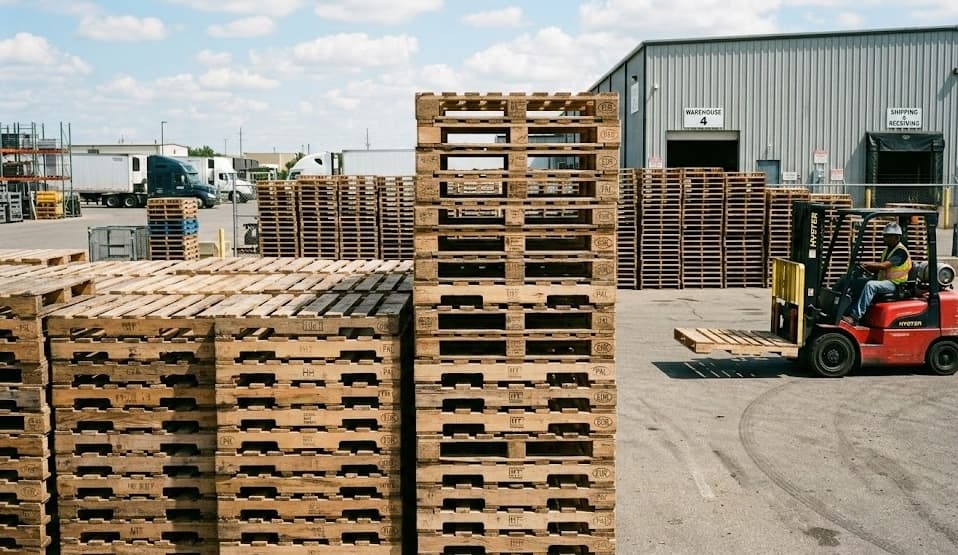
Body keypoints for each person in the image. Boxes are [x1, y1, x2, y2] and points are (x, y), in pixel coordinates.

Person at [843, 222, 911, 325]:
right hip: (885, 281)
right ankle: (846, 310)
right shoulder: (887, 251)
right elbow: (879, 269)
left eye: (888, 236)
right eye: (885, 236)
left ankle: (855, 317)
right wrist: (865, 268)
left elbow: (884, 266)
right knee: (858, 282)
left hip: (896, 284)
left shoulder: (900, 252)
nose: (885, 238)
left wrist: (867, 264)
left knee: (871, 285)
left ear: (896, 237)